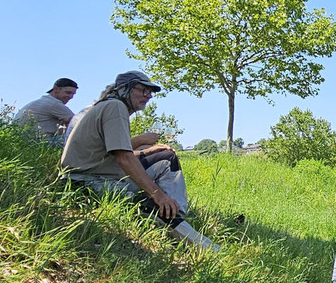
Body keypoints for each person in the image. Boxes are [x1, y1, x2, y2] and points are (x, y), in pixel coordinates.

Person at [59, 71, 215, 250]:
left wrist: (148, 151)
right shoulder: (115, 107)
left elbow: (114, 153)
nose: (148, 96)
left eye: (150, 92)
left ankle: (176, 213)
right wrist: (158, 195)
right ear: (124, 89)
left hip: (96, 174)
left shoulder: (109, 106)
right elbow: (124, 158)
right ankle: (206, 248)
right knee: (149, 205)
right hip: (86, 182)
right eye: (143, 90)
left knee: (166, 158)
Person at [13, 78, 78, 144]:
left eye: (73, 94)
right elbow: (79, 123)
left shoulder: (42, 102)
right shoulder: (53, 104)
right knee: (79, 135)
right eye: (68, 92)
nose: (71, 97)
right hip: (39, 142)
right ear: (56, 89)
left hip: (22, 141)